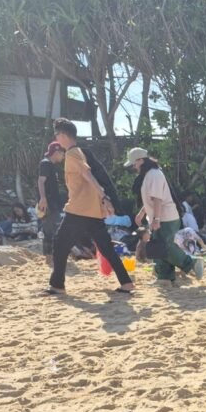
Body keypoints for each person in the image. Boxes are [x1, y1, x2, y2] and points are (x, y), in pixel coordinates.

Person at [46, 119, 135, 295]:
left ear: (63, 135)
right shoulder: (77, 152)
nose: (56, 137)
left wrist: (103, 196)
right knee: (106, 248)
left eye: (57, 134)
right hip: (92, 211)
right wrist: (103, 199)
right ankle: (126, 283)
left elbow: (88, 175)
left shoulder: (72, 154)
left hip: (78, 210)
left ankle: (57, 285)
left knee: (60, 244)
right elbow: (89, 176)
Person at [127, 148, 204, 285]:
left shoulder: (154, 174)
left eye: (134, 164)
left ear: (140, 160)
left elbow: (158, 199)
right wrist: (142, 213)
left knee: (166, 247)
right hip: (159, 217)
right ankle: (165, 278)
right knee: (158, 248)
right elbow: (151, 199)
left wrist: (156, 219)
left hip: (166, 217)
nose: (133, 167)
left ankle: (191, 262)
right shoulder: (150, 174)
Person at [37, 141, 67, 260]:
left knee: (54, 229)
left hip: (52, 202)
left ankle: (53, 256)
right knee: (50, 230)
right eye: (62, 153)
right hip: (48, 202)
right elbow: (40, 181)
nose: (63, 156)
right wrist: (43, 198)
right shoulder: (46, 164)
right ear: (56, 152)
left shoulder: (51, 165)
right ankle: (49, 257)